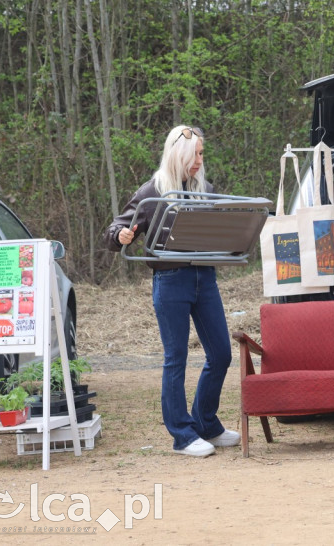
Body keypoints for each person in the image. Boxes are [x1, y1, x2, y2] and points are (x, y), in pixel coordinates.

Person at [103, 125, 239, 457]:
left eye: (202, 154)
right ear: (179, 154)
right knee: (175, 358)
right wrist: (120, 235)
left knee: (221, 354)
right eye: (196, 154)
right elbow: (115, 228)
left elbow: (221, 228)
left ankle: (205, 423)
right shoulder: (151, 192)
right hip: (170, 281)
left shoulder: (205, 189)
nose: (200, 160)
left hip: (204, 279)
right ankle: (182, 435)